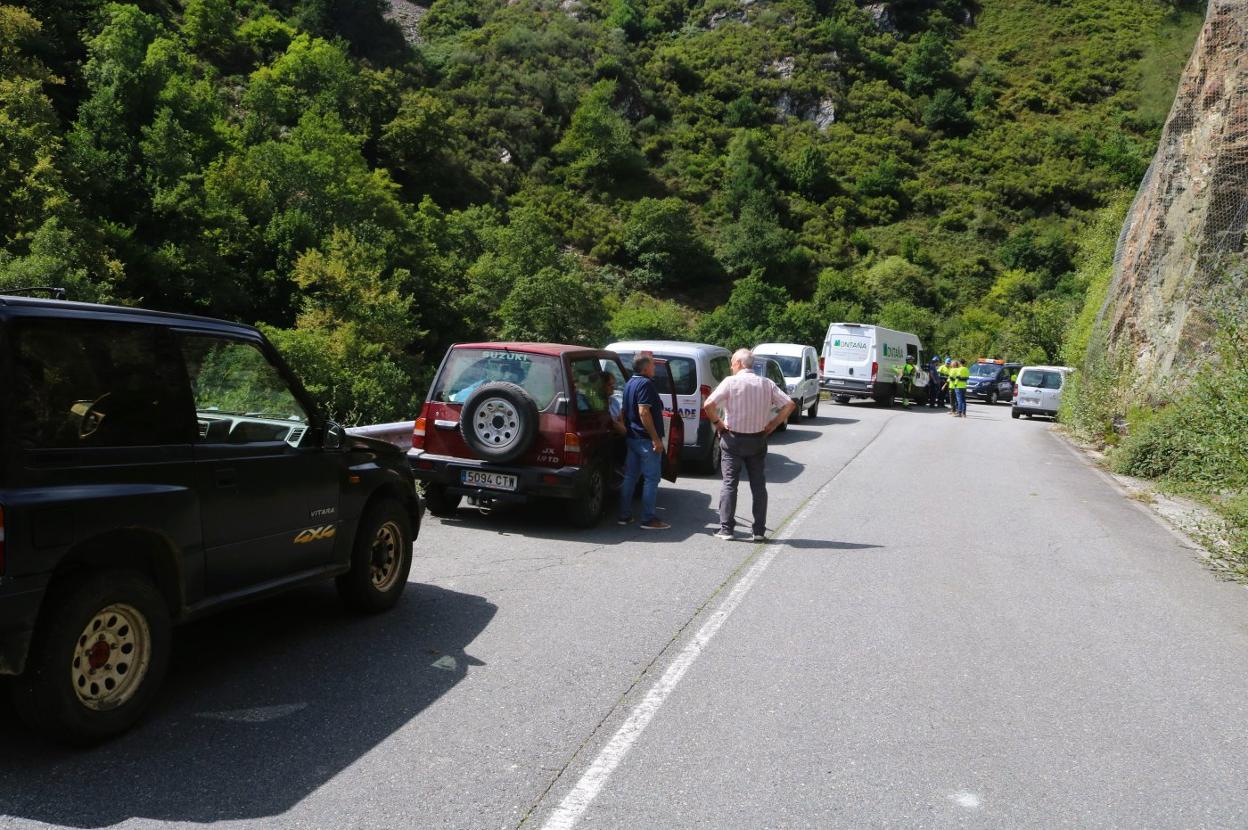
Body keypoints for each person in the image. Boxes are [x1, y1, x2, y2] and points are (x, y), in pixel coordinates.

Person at [703, 348, 795, 542]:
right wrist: (773, 424)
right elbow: (790, 404)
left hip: (732, 438)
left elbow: (708, 405)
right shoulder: (766, 383)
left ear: (738, 363)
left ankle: (727, 529)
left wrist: (719, 424)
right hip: (758, 438)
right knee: (758, 485)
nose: (731, 366)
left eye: (732, 363)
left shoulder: (730, 382)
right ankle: (759, 531)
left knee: (729, 484)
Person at [618, 354, 671, 530]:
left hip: (632, 438)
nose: (655, 368)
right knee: (652, 478)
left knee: (630, 477)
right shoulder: (645, 384)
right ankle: (648, 519)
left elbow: (624, 411)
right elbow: (643, 412)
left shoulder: (630, 383)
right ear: (645, 368)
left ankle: (624, 515)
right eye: (653, 366)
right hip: (645, 440)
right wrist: (656, 439)